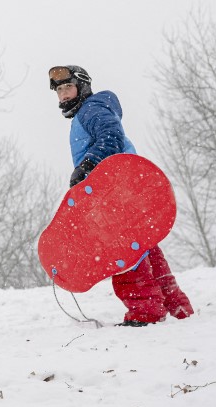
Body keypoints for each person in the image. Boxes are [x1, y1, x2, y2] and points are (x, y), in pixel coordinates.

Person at [49, 65, 194, 327]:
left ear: (82, 86)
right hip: (126, 191)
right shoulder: (90, 111)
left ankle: (145, 312)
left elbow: (111, 136)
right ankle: (176, 305)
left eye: (67, 87)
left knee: (122, 251)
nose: (63, 95)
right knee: (143, 248)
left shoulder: (90, 109)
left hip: (117, 193)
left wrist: (87, 166)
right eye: (59, 90)